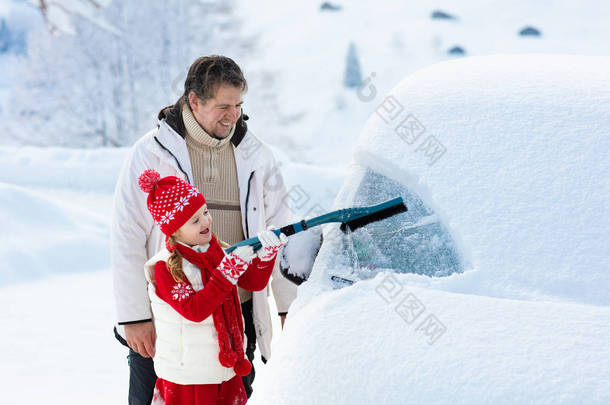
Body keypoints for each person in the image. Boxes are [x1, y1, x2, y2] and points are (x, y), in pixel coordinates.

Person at [111, 55, 300, 404]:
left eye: (239, 105)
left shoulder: (258, 156)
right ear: (194, 101)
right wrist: (134, 316)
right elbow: (127, 237)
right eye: (223, 105)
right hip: (169, 313)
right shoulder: (150, 154)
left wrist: (290, 308)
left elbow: (280, 232)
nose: (234, 115)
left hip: (234, 312)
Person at [135, 170, 286, 405]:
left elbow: (252, 282)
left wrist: (266, 256)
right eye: (195, 220)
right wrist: (227, 273)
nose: (206, 221)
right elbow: (195, 310)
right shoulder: (166, 268)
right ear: (175, 230)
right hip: (189, 380)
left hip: (224, 372)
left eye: (205, 212)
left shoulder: (218, 253)